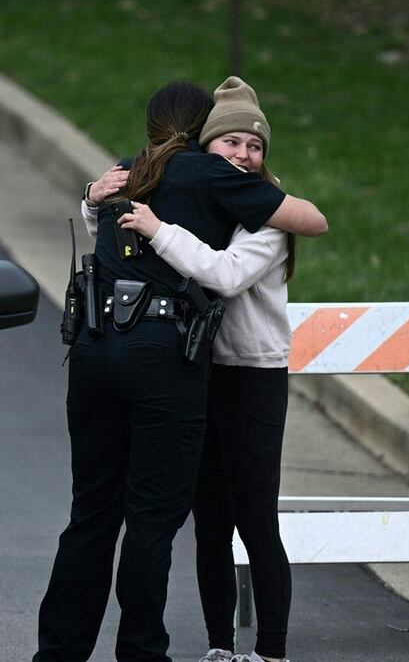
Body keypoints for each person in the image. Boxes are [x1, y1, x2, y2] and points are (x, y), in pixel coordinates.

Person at [36, 81, 326, 662]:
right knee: (154, 515)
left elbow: (117, 241)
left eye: (255, 145)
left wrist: (94, 196)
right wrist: (104, 202)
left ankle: (60, 653)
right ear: (203, 136)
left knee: (93, 512)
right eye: (231, 141)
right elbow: (312, 220)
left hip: (99, 348)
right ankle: (145, 651)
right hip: (170, 362)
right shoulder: (205, 177)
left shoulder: (134, 172)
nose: (243, 156)